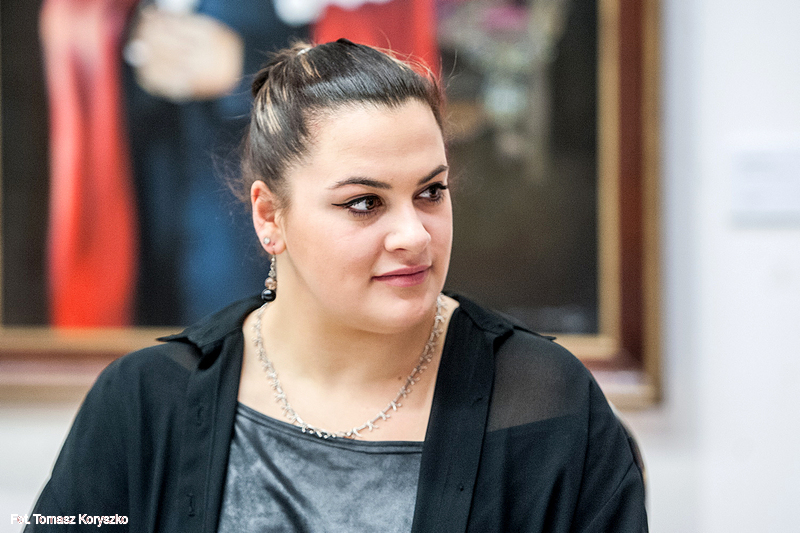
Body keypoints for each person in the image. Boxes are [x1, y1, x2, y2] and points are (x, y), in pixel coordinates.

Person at [26, 39, 647, 532]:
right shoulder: (144, 401)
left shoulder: (545, 404)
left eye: (431, 192)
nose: (414, 235)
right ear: (270, 217)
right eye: (364, 202)